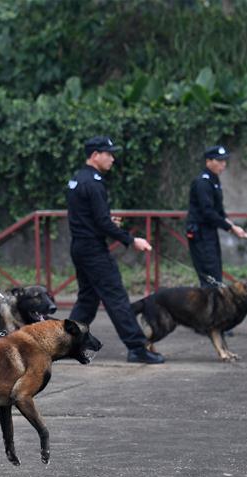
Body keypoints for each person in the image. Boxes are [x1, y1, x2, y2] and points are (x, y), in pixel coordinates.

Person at [66, 136, 164, 364]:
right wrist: (132, 240)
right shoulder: (94, 182)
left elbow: (88, 217)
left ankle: (65, 342)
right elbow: (102, 222)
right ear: (94, 155)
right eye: (108, 153)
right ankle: (137, 347)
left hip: (79, 247)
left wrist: (106, 222)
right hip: (93, 250)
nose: (112, 158)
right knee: (117, 298)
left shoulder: (77, 179)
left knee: (87, 300)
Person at [186, 145, 247, 287]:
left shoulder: (214, 180)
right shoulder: (203, 182)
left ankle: (213, 306)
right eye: (219, 161)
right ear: (208, 161)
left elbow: (219, 211)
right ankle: (209, 307)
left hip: (209, 232)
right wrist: (229, 227)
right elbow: (208, 212)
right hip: (200, 233)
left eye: (224, 161)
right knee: (210, 276)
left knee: (215, 271)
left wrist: (233, 227)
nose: (223, 164)